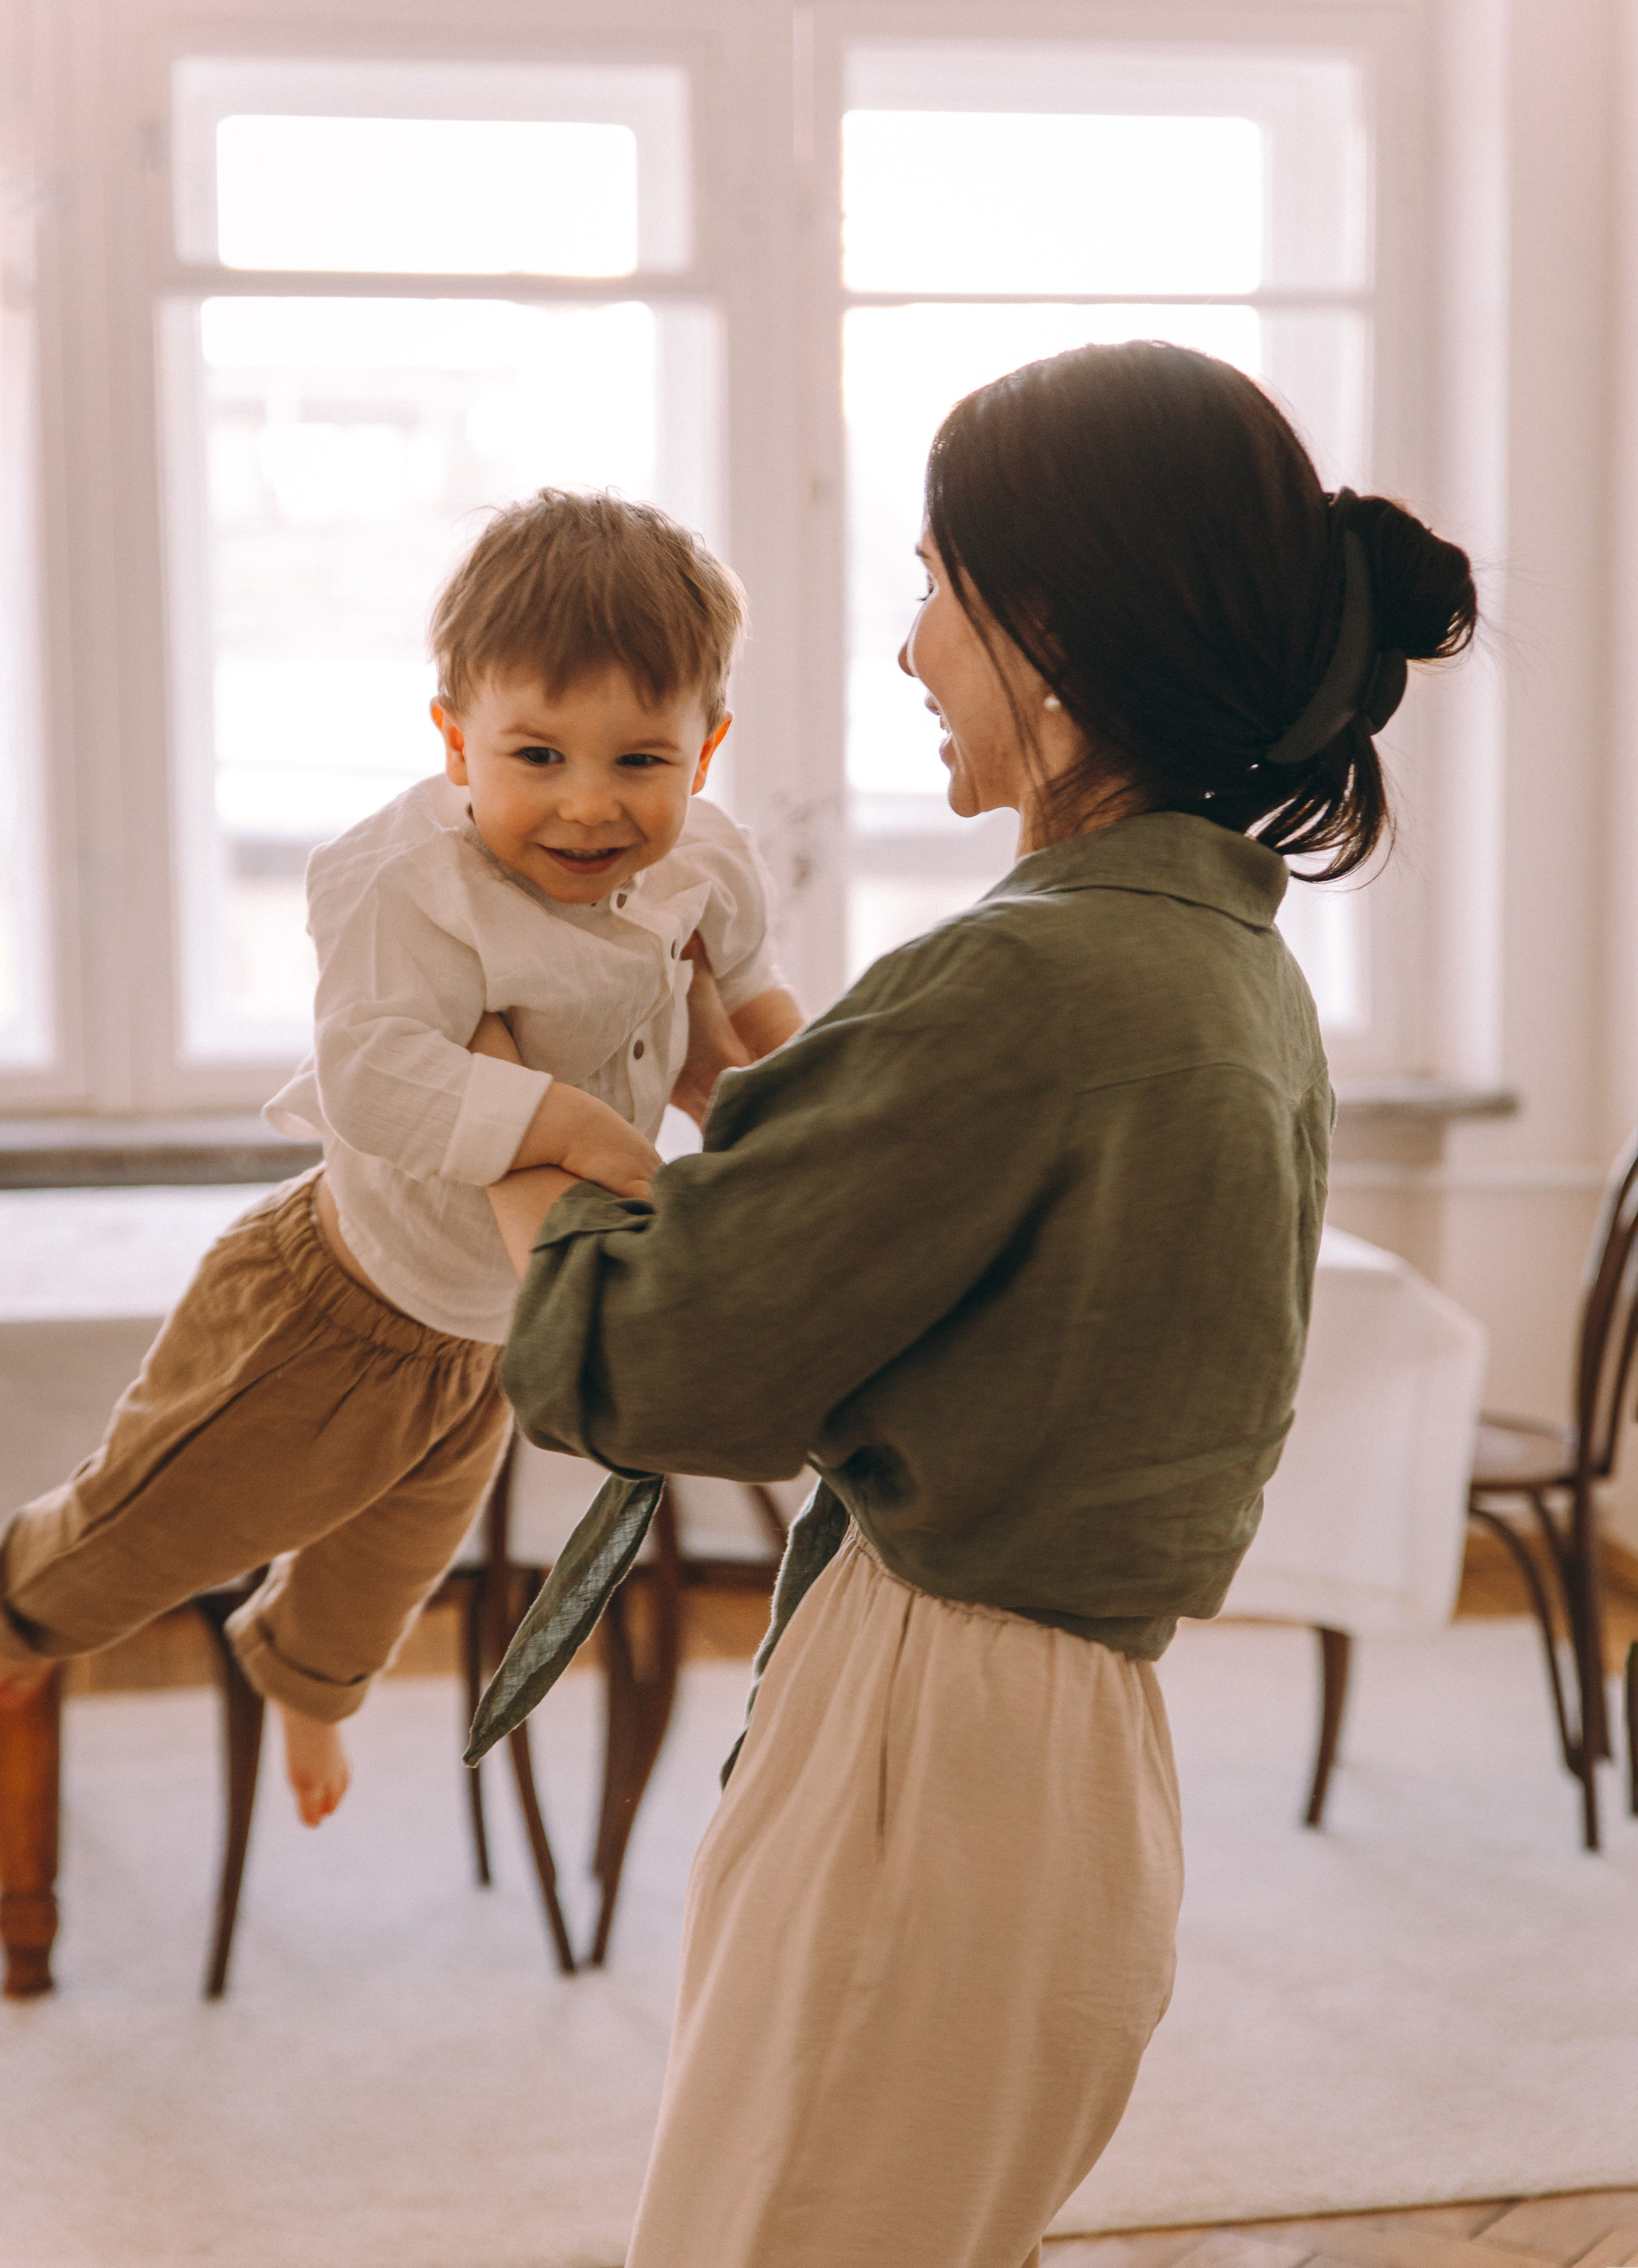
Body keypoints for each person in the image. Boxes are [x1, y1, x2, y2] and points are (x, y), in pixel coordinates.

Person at [472, 345, 1478, 2268]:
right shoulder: (1216, 963)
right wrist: (729, 1088)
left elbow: (647, 1357)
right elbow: (934, 1217)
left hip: (928, 1755)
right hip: (1068, 1763)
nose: (909, 650)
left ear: (1051, 626)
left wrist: (503, 1096)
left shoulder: (1036, 979)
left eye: (934, 589)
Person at [0, 489, 801, 1830]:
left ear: (706, 750)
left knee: (393, 1551)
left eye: (640, 763)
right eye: (536, 756)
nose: (589, 807)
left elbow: (749, 1004)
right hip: (330, 1306)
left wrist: (809, 1099)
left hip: (480, 1328)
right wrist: (579, 1130)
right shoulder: (406, 883)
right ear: (454, 741)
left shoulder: (704, 863)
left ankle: (309, 1679)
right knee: (144, 1530)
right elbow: (373, 1073)